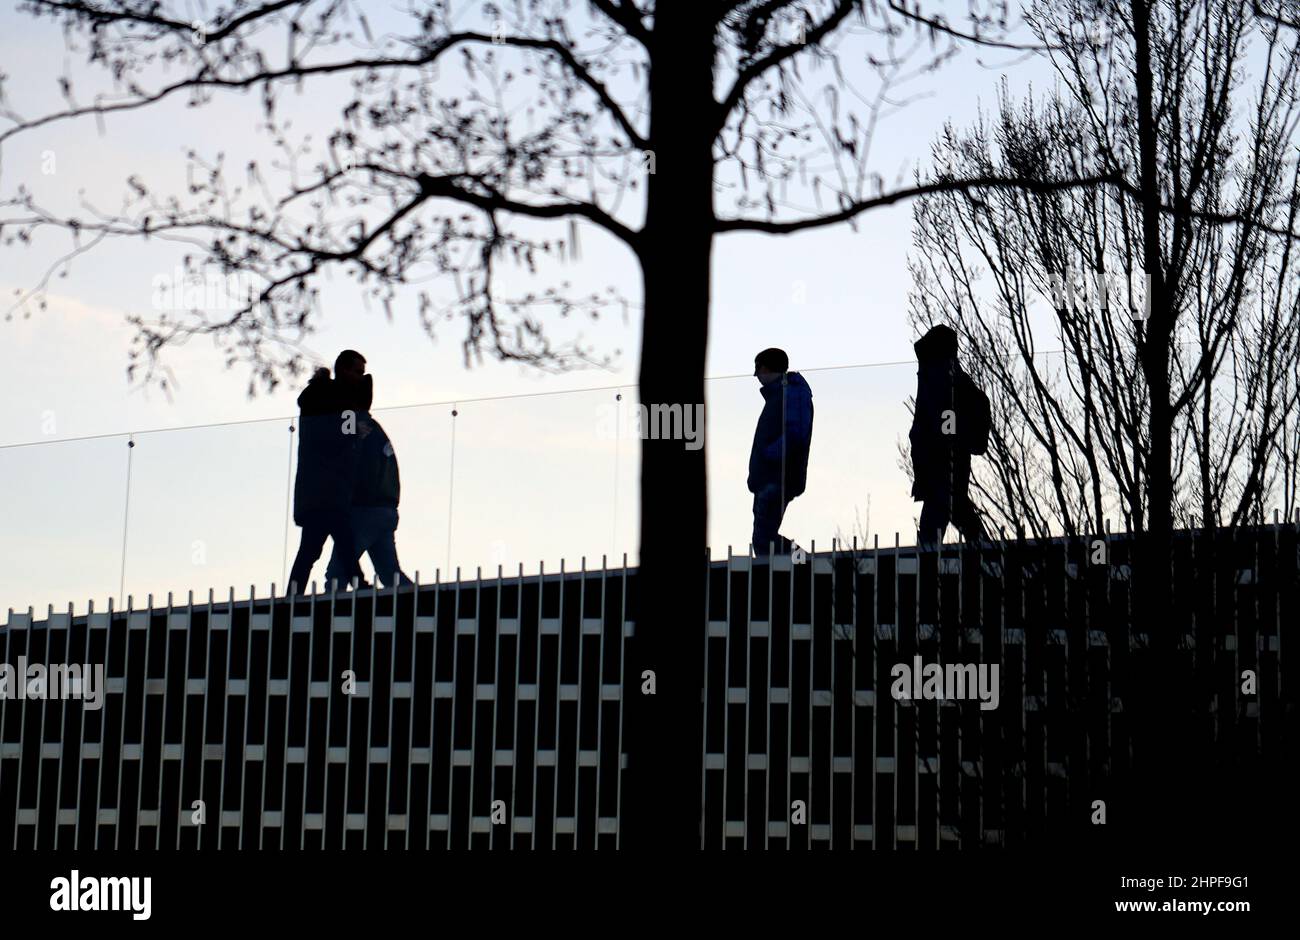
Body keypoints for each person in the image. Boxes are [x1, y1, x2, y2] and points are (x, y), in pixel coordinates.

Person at [286, 350, 371, 594]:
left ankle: (293, 595)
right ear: (343, 369)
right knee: (340, 540)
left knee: (313, 549)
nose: (359, 378)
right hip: (327, 489)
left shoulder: (324, 397)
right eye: (357, 372)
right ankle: (358, 583)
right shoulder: (332, 400)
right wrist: (356, 428)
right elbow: (338, 434)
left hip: (320, 490)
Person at [909, 325, 989, 549]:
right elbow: (923, 429)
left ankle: (992, 560)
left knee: (937, 530)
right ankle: (992, 559)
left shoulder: (943, 382)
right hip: (939, 472)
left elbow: (929, 429)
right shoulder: (941, 381)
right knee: (956, 517)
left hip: (941, 471)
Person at [325, 406, 412, 590]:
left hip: (364, 509)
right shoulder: (373, 428)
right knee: (389, 573)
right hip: (384, 508)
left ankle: (327, 615)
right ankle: (422, 606)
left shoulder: (353, 424)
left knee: (337, 573)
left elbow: (352, 463)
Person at [747, 347, 814, 557]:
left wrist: (769, 454)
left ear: (766, 368)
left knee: (764, 539)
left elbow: (796, 434)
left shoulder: (792, 393)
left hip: (777, 477)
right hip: (770, 477)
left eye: (758, 369)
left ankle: (806, 565)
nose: (756, 375)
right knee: (763, 538)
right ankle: (804, 565)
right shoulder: (783, 395)